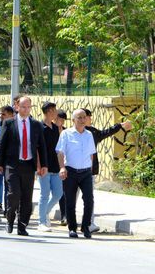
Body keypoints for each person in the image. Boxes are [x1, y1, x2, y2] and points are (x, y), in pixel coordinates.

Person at [0, 97, 48, 236]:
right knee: (14, 194)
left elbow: (41, 146)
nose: (26, 110)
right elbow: (1, 144)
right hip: (12, 164)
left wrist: (43, 165)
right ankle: (10, 219)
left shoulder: (36, 125)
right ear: (17, 107)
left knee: (26, 198)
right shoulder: (9, 123)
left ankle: (22, 225)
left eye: (28, 107)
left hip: (28, 165)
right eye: (23, 107)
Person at [82, 108, 132, 232]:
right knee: (71, 197)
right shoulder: (71, 133)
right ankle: (68, 218)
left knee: (89, 198)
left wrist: (119, 126)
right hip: (73, 170)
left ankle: (89, 223)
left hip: (89, 171)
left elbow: (106, 132)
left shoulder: (92, 132)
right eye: (88, 116)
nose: (90, 119)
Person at [56, 109, 97, 238]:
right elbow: (60, 152)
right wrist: (62, 168)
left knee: (89, 200)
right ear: (73, 120)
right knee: (70, 201)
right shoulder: (66, 134)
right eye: (79, 117)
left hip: (85, 173)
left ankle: (86, 227)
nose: (82, 120)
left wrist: (90, 171)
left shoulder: (89, 134)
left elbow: (91, 154)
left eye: (84, 117)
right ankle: (72, 227)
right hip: (71, 171)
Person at [37, 102, 63, 232]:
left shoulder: (55, 128)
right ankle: (41, 221)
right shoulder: (39, 127)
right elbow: (36, 148)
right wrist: (39, 165)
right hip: (43, 167)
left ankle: (44, 212)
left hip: (56, 166)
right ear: (48, 111)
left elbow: (59, 148)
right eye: (54, 110)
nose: (56, 113)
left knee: (58, 193)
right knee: (44, 194)